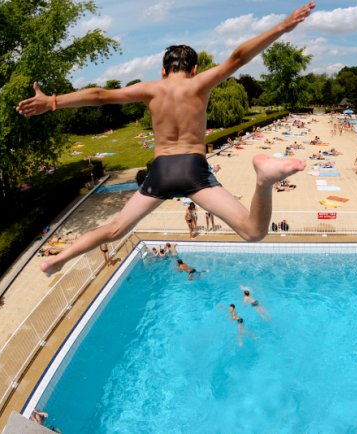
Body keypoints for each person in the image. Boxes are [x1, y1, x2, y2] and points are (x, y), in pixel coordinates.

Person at [17, 2, 316, 275]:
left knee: (114, 229)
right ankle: (263, 180)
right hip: (193, 170)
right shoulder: (200, 83)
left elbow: (98, 96)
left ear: (163, 70)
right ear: (195, 68)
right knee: (253, 232)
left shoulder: (149, 89)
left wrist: (53, 101)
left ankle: (59, 258)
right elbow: (237, 58)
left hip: (159, 173)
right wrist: (282, 27)